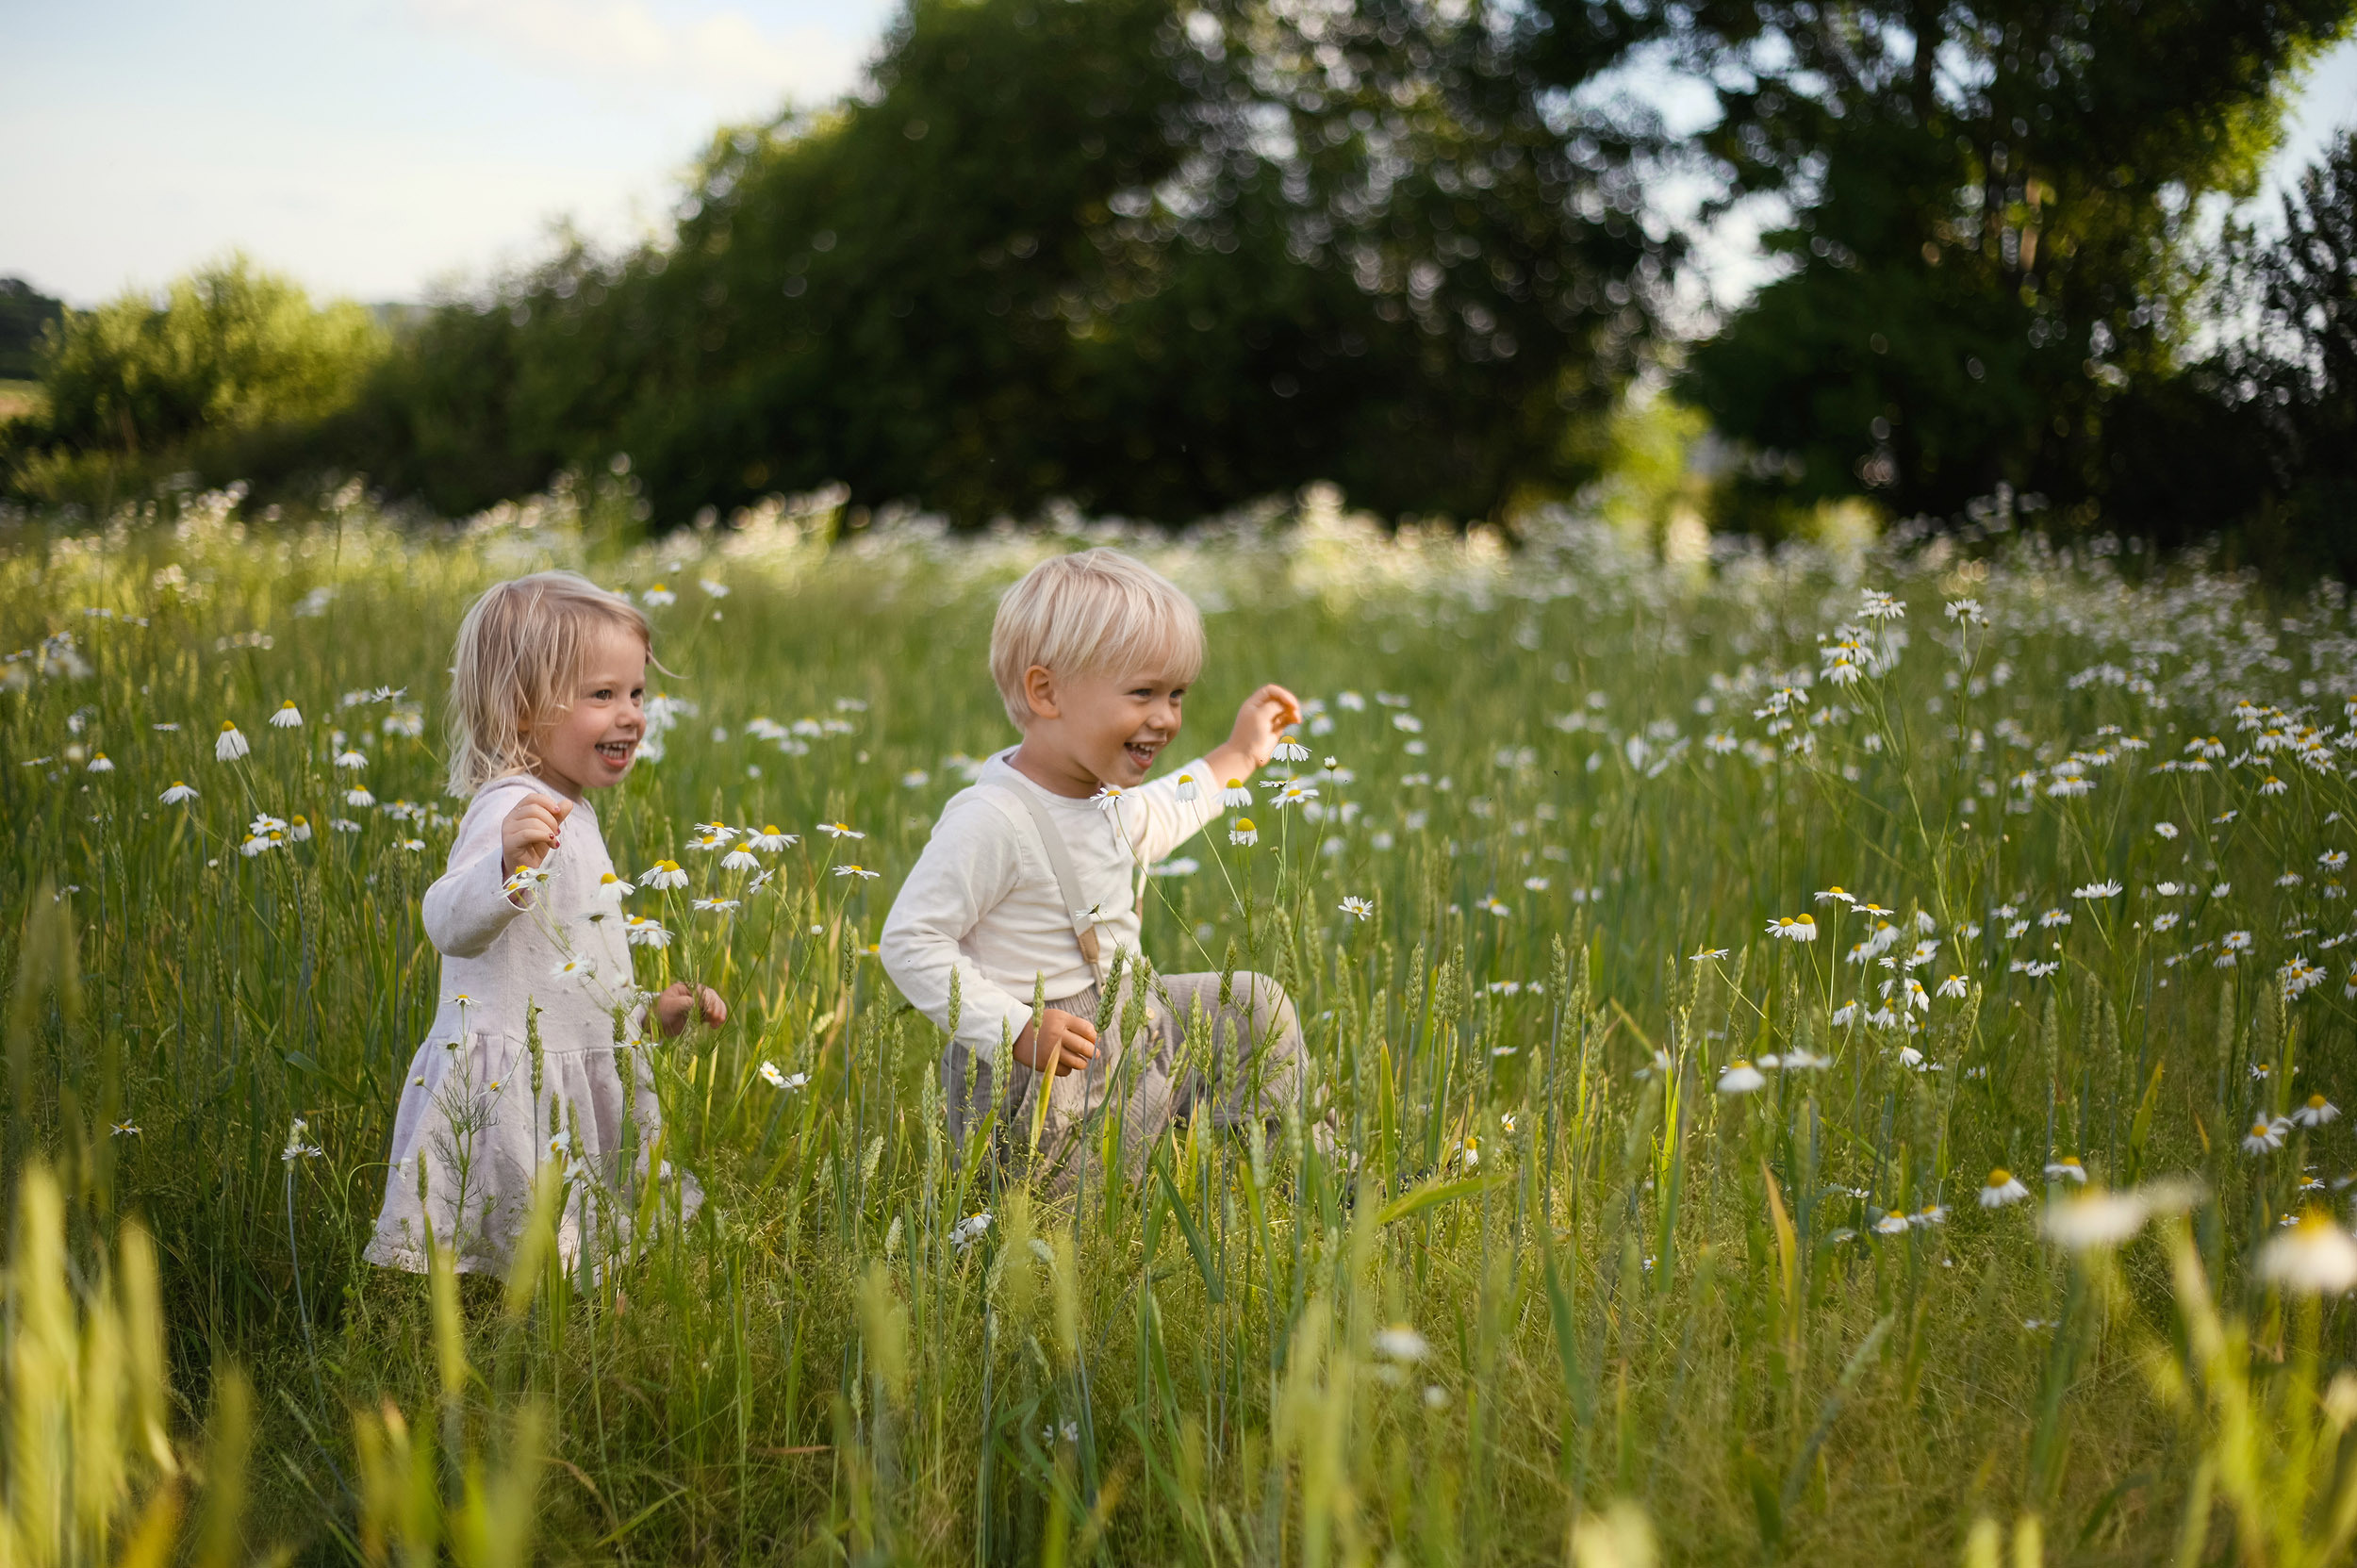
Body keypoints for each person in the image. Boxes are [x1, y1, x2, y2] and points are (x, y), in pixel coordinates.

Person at [880, 547, 1337, 1190]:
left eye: (1176, 694)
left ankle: (1284, 1170)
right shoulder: (992, 819)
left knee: (1255, 1004)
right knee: (1082, 1221)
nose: (1167, 718)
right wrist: (1015, 1029)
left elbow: (1174, 807)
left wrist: (1240, 753)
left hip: (1132, 1027)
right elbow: (909, 940)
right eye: (1144, 693)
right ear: (1047, 692)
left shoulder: (1103, 797)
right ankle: (1090, 1199)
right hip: (1044, 1072)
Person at [365, 571, 720, 1274]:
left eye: (635, 693)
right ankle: (509, 1331)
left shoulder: (573, 808)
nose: (631, 715)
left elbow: (571, 966)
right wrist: (502, 865)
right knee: (509, 1222)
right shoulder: (510, 808)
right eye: (602, 695)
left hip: (567, 1061)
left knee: (566, 1226)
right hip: (512, 1082)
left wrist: (644, 1013)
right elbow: (446, 919)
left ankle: (567, 1314)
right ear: (523, 711)